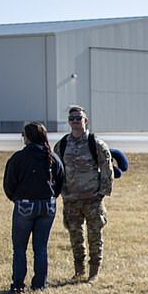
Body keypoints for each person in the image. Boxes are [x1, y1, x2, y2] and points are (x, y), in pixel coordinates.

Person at [2, 122, 64, 293]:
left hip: (25, 205)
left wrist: (16, 198)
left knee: (20, 247)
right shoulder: (53, 158)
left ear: (27, 137)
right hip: (48, 204)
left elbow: (9, 184)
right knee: (41, 247)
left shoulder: (19, 158)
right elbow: (60, 181)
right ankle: (39, 285)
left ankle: (18, 284)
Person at [56, 105, 113, 282]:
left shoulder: (95, 143)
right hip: (71, 200)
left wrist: (103, 192)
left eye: (78, 118)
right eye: (72, 118)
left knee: (94, 236)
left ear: (85, 121)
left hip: (92, 199)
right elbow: (56, 169)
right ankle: (79, 270)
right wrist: (60, 192)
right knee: (76, 237)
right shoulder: (62, 144)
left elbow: (107, 168)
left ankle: (93, 272)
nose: (75, 121)